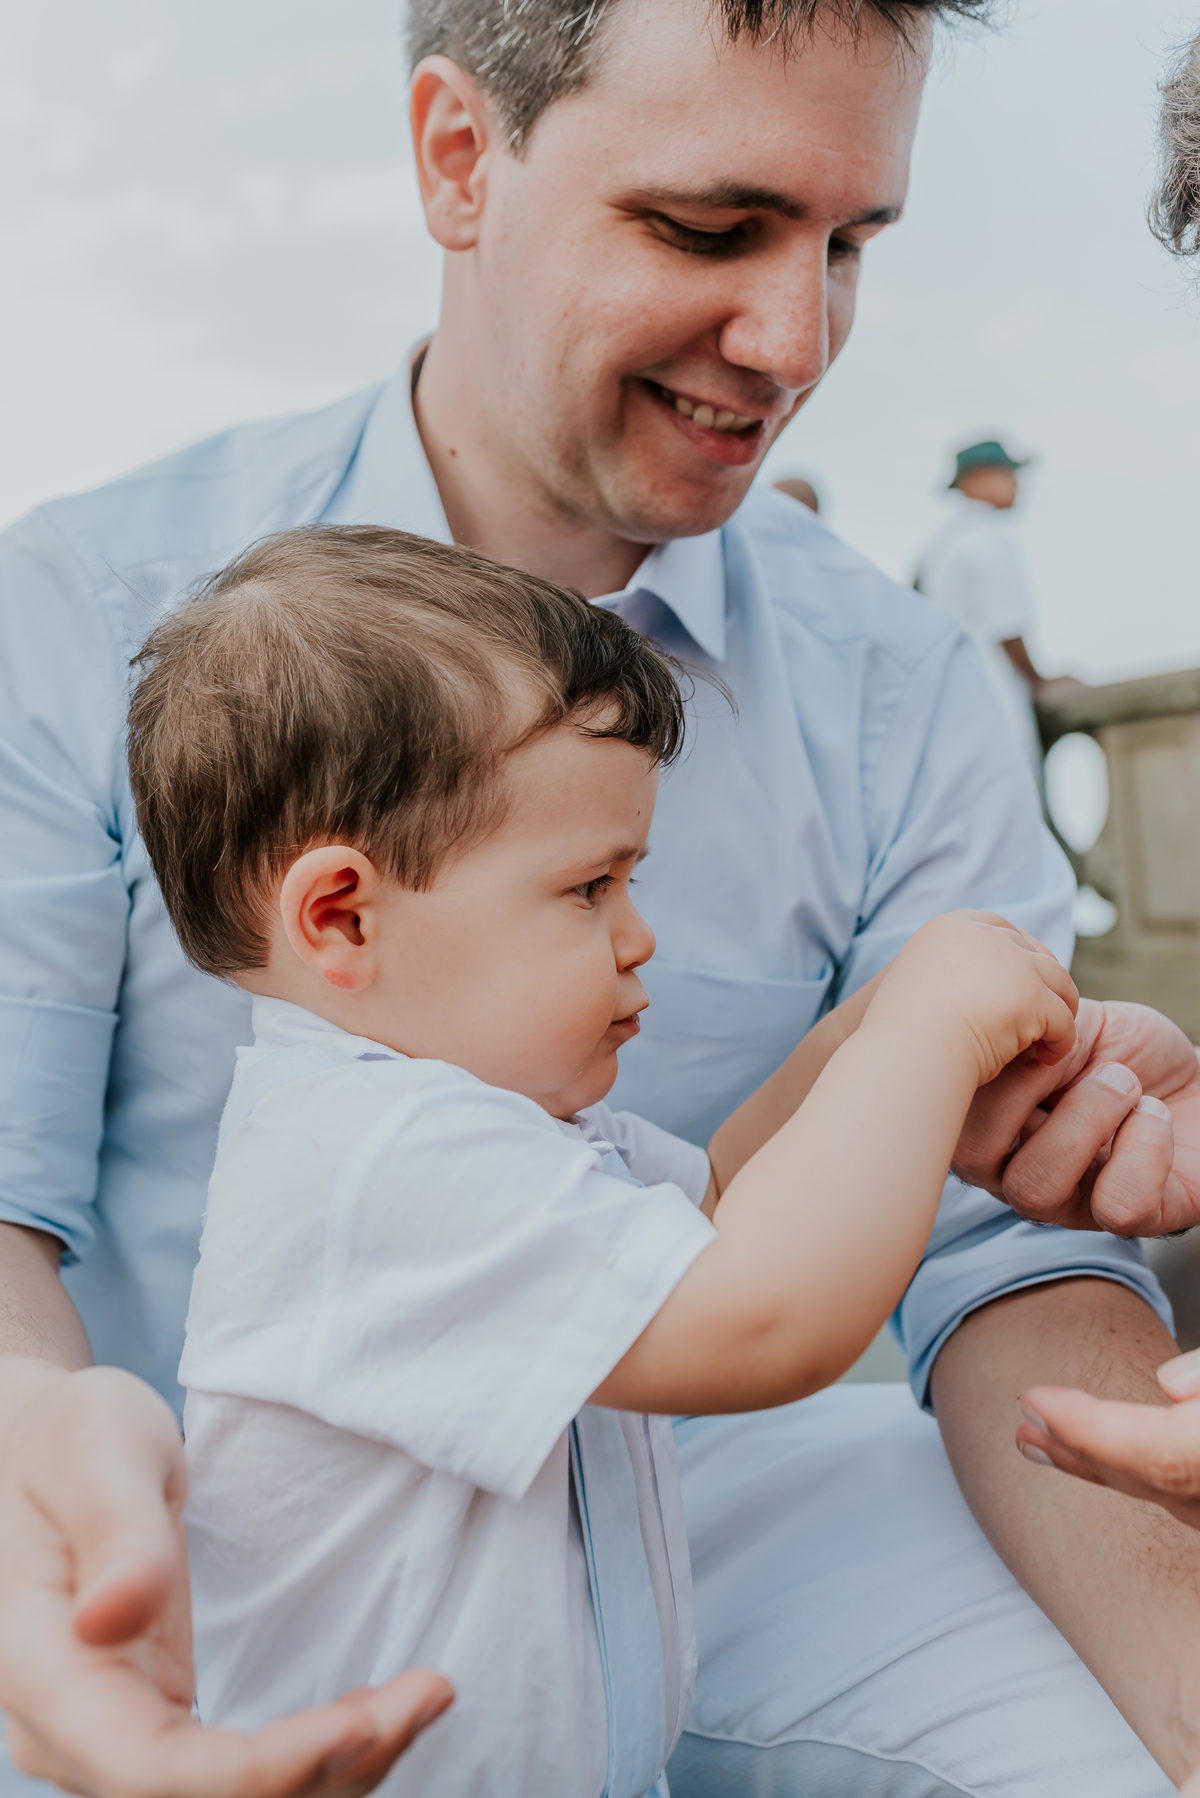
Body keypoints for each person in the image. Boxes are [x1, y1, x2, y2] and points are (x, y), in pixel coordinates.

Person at [4, 0, 1200, 1793]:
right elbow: (765, 1313)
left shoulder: (902, 677)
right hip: (230, 1590)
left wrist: (923, 1042)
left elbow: (763, 1218)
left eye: (853, 243)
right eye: (708, 227)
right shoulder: (82, 611)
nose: (797, 338)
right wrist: (32, 1443)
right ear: (458, 157)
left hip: (650, 1524)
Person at [132, 523, 1077, 1796]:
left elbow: (722, 1221)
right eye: (590, 888)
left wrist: (867, 1024)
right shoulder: (378, 1157)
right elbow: (761, 1318)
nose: (640, 938)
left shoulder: (486, 1125)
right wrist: (927, 1033)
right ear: (342, 916)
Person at [915, 438, 1078, 773]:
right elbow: (1008, 627)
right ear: (978, 478)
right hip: (992, 707)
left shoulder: (941, 545)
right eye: (1009, 473)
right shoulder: (988, 538)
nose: (1017, 484)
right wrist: (1039, 681)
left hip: (949, 710)